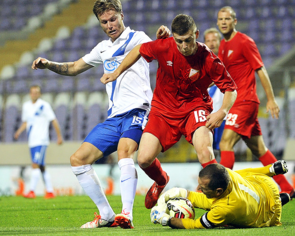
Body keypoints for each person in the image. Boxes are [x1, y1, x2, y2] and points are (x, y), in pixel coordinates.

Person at [31, 0, 170, 229]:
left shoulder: (139, 38)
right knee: (78, 160)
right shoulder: (103, 48)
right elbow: (74, 67)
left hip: (138, 110)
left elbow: (163, 52)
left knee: (124, 152)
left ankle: (126, 214)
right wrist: (48, 64)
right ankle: (106, 214)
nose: (110, 26)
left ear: (121, 16)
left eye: (113, 19)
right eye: (104, 22)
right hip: (114, 117)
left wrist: (164, 36)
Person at [100, 14, 238, 210]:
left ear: (196, 35)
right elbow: (139, 49)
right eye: (179, 41)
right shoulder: (164, 46)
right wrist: (116, 72)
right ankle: (161, 181)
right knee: (143, 159)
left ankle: (219, 203)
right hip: (163, 109)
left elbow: (231, 89)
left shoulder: (208, 59)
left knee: (205, 152)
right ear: (173, 38)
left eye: (188, 40)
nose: (183, 46)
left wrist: (222, 112)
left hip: (195, 108)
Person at [216, 6, 295, 198]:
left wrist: (271, 99)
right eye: (220, 19)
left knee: (225, 143)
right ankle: (287, 188)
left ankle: (225, 194)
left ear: (235, 21)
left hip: (245, 101)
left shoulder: (244, 41)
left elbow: (261, 69)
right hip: (237, 102)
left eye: (227, 19)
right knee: (259, 148)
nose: (224, 22)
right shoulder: (223, 46)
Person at [150, 161, 291, 229]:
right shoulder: (226, 173)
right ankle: (283, 197)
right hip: (265, 183)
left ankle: (283, 199)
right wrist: (270, 170)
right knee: (244, 176)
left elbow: (195, 224)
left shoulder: (226, 208)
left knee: (228, 224)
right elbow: (248, 173)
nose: (198, 188)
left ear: (218, 191)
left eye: (203, 188)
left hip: (270, 215)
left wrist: (166, 220)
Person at [14, 85, 63, 199]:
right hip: (32, 141)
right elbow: (26, 122)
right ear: (30, 94)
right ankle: (50, 192)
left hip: (41, 140)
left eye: (37, 92)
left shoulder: (44, 105)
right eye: (33, 92)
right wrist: (19, 131)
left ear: (39, 94)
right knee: (41, 166)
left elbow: (53, 120)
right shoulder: (26, 106)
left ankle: (31, 191)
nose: (34, 94)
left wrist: (59, 136)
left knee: (35, 164)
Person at [204, 28, 225, 153]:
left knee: (223, 148)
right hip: (207, 113)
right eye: (208, 40)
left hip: (224, 114)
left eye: (214, 40)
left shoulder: (228, 61)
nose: (211, 43)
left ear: (220, 42)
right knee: (206, 148)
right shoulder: (200, 63)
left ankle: (224, 171)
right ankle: (207, 172)